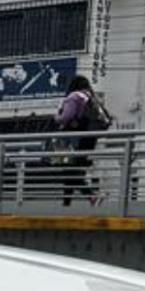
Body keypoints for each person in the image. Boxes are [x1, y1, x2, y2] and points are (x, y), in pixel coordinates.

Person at [52, 74, 111, 205]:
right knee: (73, 170)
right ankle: (67, 202)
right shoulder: (91, 97)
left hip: (73, 140)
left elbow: (66, 117)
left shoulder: (75, 96)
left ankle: (91, 196)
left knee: (69, 170)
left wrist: (56, 117)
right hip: (88, 139)